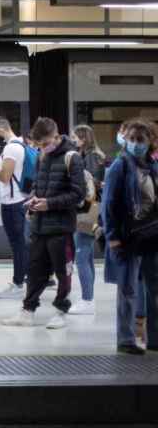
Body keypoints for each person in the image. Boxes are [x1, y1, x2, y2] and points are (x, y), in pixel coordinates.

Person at [2, 117, 84, 330]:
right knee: (35, 270)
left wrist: (50, 204)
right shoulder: (41, 157)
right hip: (39, 225)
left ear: (56, 136)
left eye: (45, 143)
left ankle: (60, 311)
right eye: (39, 145)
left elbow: (78, 194)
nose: (42, 148)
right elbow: (39, 185)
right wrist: (34, 200)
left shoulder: (72, 158)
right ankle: (27, 311)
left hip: (61, 227)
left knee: (62, 271)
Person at [102, 120, 158, 355]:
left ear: (150, 142)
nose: (135, 144)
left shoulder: (152, 166)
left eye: (140, 140)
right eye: (132, 140)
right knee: (128, 290)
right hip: (127, 237)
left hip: (151, 235)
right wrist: (113, 237)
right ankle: (125, 339)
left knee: (154, 289)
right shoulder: (120, 166)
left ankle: (154, 338)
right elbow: (109, 204)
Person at [0, 116, 32, 300]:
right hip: (20, 200)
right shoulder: (21, 145)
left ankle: (18, 283)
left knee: (17, 245)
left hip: (12, 202)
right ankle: (22, 280)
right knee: (20, 243)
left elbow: (5, 177)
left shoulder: (11, 148)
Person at [70, 124, 106, 315]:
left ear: (83, 138)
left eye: (75, 137)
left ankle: (87, 299)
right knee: (87, 255)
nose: (73, 140)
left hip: (87, 209)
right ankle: (88, 296)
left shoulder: (91, 157)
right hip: (92, 208)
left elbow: (89, 184)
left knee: (81, 255)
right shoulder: (95, 155)